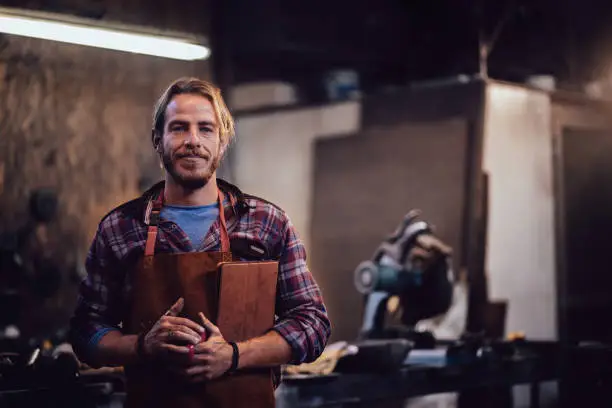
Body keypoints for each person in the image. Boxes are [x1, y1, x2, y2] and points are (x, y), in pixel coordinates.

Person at [69, 77, 331, 401]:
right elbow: (85, 330)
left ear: (222, 143)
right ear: (157, 140)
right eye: (179, 128)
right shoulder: (120, 228)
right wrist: (141, 345)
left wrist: (234, 355)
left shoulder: (266, 223)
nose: (193, 140)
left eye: (205, 129)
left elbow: (313, 325)